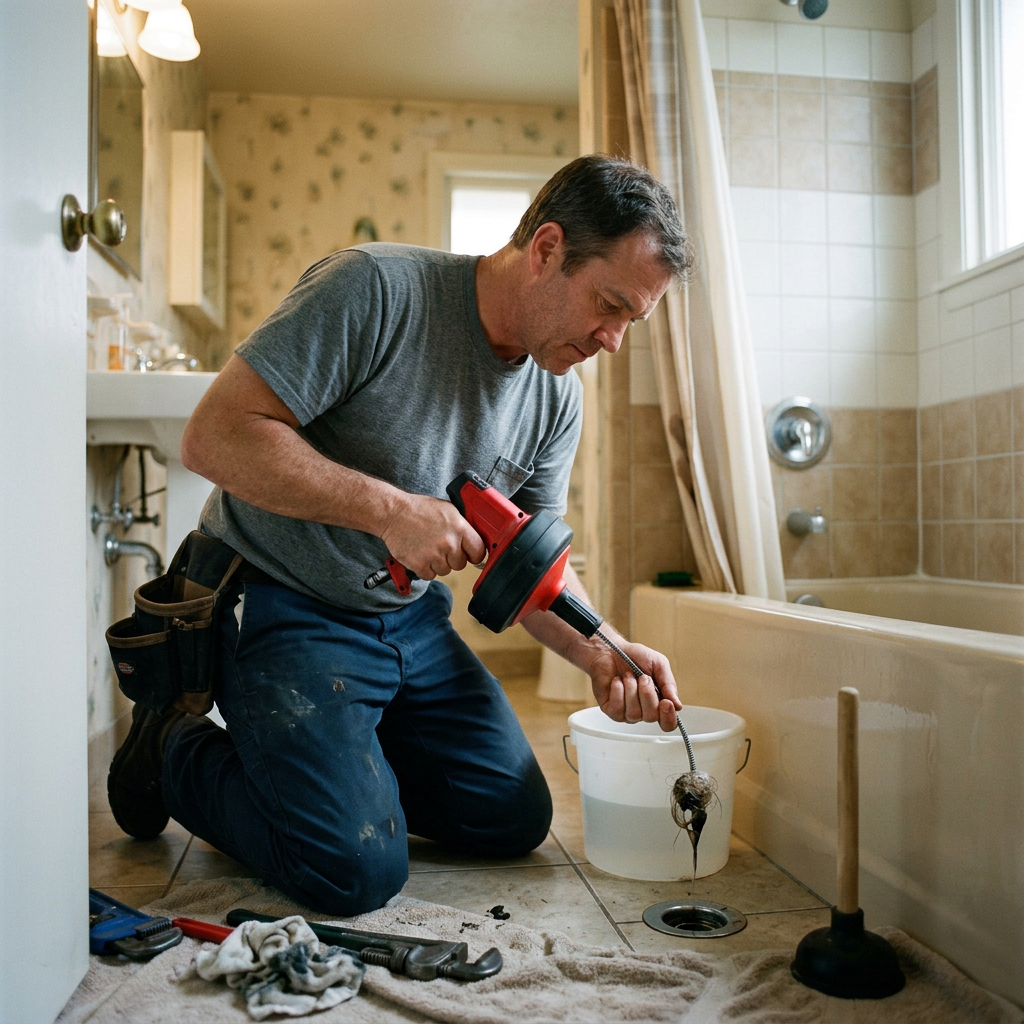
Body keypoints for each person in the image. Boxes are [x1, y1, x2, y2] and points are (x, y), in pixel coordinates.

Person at [107, 154, 694, 916]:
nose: (613, 341)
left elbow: (526, 563)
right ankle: (174, 746)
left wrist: (603, 650)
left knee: (510, 817)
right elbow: (212, 438)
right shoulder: (375, 289)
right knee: (352, 871)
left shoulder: (557, 396)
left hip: (405, 619)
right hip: (281, 594)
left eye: (630, 322)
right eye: (610, 306)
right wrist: (389, 511)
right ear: (547, 248)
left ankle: (339, 761)